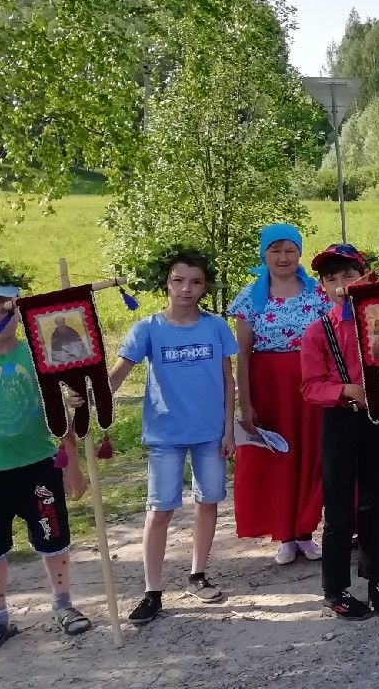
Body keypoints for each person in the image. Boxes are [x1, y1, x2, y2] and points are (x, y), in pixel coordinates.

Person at [0, 276, 91, 654]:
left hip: (38, 465)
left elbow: (62, 411)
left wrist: (72, 463)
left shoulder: (38, 357)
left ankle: (64, 604)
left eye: (7, 311)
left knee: (52, 537)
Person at [106, 248, 238, 625]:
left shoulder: (215, 327)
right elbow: (116, 375)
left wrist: (229, 428)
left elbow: (228, 382)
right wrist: (93, 394)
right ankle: (152, 591)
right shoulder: (147, 328)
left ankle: (198, 574)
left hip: (210, 432)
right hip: (165, 433)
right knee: (159, 509)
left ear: (205, 287)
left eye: (195, 282)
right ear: (166, 283)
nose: (186, 289)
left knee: (208, 501)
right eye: (178, 280)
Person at [299, 244, 379, 621]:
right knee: (339, 510)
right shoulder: (318, 331)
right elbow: (310, 386)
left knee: (374, 504)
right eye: (331, 278)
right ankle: (335, 589)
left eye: (349, 275)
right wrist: (344, 390)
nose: (341, 284)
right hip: (340, 421)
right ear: (322, 286)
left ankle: (376, 581)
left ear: (364, 276)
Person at [228, 223, 333, 565]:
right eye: (275, 250)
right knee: (278, 456)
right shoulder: (249, 298)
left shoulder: (318, 294)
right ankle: (284, 533)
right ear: (264, 253)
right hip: (269, 384)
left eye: (290, 250)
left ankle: (305, 529)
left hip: (311, 381)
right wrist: (246, 402)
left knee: (311, 453)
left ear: (300, 253)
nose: (283, 257)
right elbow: (243, 353)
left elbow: (333, 343)